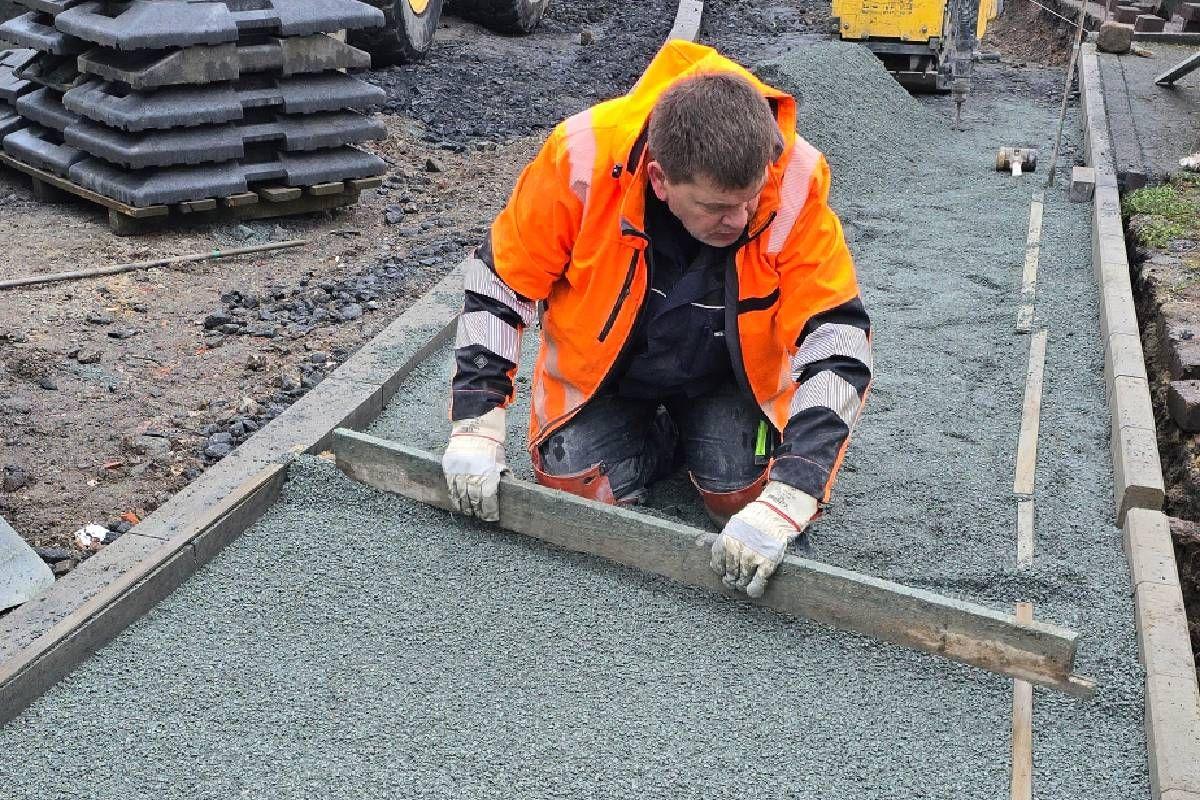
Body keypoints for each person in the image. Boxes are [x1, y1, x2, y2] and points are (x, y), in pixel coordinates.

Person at [441, 40, 872, 599]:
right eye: (716, 208)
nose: (739, 221)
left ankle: (705, 437)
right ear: (661, 179)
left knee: (745, 493)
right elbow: (502, 286)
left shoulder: (791, 181)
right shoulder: (580, 158)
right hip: (612, 373)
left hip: (730, 379)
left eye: (748, 201)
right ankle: (665, 439)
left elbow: (837, 341)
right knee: (576, 485)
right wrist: (476, 425)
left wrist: (791, 495)